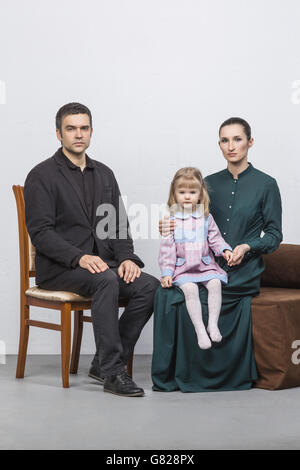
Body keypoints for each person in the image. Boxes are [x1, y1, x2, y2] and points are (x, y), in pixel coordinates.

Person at [24, 102, 159, 397]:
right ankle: (113, 372)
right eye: (71, 129)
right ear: (59, 133)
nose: (78, 134)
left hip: (104, 266)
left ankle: (103, 362)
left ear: (91, 131)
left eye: (84, 128)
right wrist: (80, 257)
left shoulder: (105, 174)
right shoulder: (41, 175)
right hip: (61, 269)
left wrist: (126, 258)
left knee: (150, 286)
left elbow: (119, 225)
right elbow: (41, 232)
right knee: (106, 280)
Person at [152, 117, 282, 392]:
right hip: (202, 263)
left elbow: (274, 235)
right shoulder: (207, 182)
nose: (231, 146)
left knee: (203, 291)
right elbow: (185, 215)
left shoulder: (266, 184)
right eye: (225, 140)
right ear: (219, 145)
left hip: (244, 270)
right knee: (166, 294)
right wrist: (166, 225)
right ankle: (175, 374)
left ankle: (215, 370)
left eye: (237, 139)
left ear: (250, 142)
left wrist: (247, 247)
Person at [158, 167, 232, 349]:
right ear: (174, 194)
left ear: (200, 194)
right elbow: (167, 249)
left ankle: (212, 324)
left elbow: (215, 239)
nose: (187, 196)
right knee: (190, 289)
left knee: (215, 284)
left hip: (205, 265)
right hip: (182, 269)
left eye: (192, 192)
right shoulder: (171, 220)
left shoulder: (206, 217)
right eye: (182, 192)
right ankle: (200, 330)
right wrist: (167, 272)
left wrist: (224, 250)